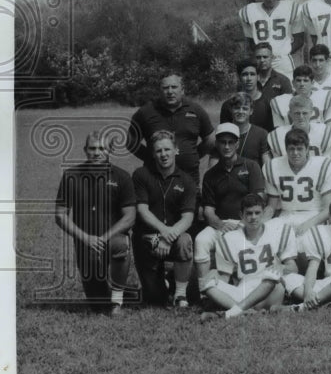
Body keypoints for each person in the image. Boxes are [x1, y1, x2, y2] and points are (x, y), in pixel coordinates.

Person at [54, 131, 136, 314]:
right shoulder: (71, 176)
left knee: (120, 243)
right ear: (85, 150)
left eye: (102, 148)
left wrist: (104, 238)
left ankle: (117, 302)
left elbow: (130, 216)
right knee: (98, 305)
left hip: (112, 239)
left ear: (110, 151)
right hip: (85, 243)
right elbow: (60, 215)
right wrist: (86, 238)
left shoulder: (122, 176)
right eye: (92, 148)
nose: (97, 152)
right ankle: (126, 295)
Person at [201, 194, 299, 319]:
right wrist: (215, 273)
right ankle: (245, 312)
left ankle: (233, 312)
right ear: (241, 215)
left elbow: (294, 268)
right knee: (208, 284)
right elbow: (225, 278)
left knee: (272, 277)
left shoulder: (277, 231)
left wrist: (281, 267)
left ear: (263, 213)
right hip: (244, 289)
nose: (253, 217)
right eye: (249, 213)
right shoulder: (229, 239)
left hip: (270, 291)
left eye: (257, 213)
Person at [193, 124, 266, 281]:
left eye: (231, 142)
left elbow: (257, 202)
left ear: (237, 143)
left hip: (246, 223)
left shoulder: (251, 166)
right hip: (220, 224)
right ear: (217, 144)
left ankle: (235, 284)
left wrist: (243, 223)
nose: (227, 146)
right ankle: (204, 289)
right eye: (222, 142)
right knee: (201, 240)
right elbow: (208, 211)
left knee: (230, 243)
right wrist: (220, 225)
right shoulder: (211, 174)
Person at [131, 130, 196, 308]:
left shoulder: (187, 180)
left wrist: (168, 237)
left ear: (176, 150)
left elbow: (188, 218)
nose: (163, 155)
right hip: (146, 238)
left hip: (174, 238)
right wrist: (164, 231)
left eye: (167, 149)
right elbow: (142, 210)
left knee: (185, 240)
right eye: (159, 151)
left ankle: (180, 295)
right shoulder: (141, 175)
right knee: (154, 299)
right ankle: (163, 281)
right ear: (153, 153)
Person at [128, 74, 215, 186]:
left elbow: (211, 139)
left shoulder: (196, 110)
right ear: (160, 91)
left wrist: (194, 155)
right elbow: (130, 141)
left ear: (182, 90)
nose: (170, 91)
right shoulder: (145, 112)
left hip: (189, 177)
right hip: (155, 178)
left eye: (174, 87)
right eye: (165, 88)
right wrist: (150, 156)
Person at [263, 127, 331, 235]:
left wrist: (308, 224)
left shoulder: (323, 166)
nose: (295, 153)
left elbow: (328, 208)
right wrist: (260, 222)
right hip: (286, 216)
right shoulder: (273, 166)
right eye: (291, 149)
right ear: (286, 149)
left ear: (307, 149)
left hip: (314, 216)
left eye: (299, 148)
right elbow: (272, 206)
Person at [238, 0, 305, 80]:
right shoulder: (248, 11)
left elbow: (299, 40)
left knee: (288, 92)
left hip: (283, 60)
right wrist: (264, 56)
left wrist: (283, 51)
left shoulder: (291, 8)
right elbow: (251, 42)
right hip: (262, 61)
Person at [266, 94, 331, 158]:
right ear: (290, 114)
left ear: (311, 113)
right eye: (297, 113)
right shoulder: (278, 135)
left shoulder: (324, 132)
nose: (301, 117)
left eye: (304, 113)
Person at [219, 60, 274, 133]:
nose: (249, 78)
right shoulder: (228, 105)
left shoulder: (268, 104)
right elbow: (224, 134)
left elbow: (271, 133)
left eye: (252, 74)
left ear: (258, 77)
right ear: (239, 77)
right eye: (245, 74)